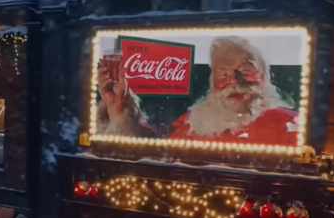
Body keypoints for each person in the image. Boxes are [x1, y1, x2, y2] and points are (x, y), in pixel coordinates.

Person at [97, 36, 300, 145]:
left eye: (247, 71)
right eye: (223, 74)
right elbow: (157, 160)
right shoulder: (192, 122)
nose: (235, 81)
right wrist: (120, 110)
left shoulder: (288, 126)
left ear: (267, 77)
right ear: (212, 82)